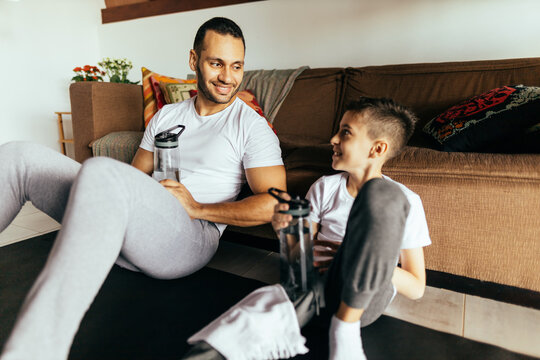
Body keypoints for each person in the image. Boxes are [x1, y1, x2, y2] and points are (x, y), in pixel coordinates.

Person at [0, 17, 285, 360]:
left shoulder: (250, 127)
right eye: (216, 63)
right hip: (142, 229)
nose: (228, 76)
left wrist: (198, 208)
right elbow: (132, 178)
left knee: (101, 169)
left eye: (237, 66)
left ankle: (36, 350)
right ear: (194, 61)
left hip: (192, 235)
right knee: (19, 155)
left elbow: (274, 204)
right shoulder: (165, 116)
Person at [271, 97, 431, 359]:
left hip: (364, 301)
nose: (333, 139)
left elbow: (416, 288)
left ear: (377, 149)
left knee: (383, 197)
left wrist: (357, 257)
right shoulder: (325, 187)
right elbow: (299, 259)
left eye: (345, 133)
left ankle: (343, 328)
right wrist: (286, 232)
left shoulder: (405, 201)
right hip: (318, 290)